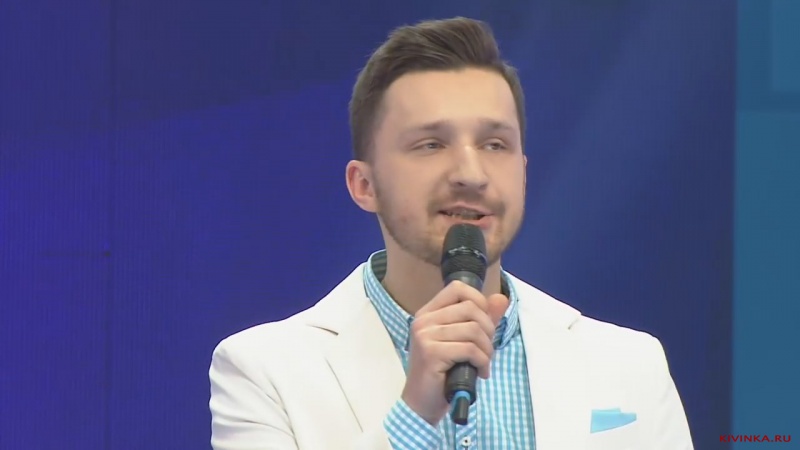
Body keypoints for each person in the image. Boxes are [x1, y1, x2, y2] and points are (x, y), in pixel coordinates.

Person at [208, 16, 694, 450]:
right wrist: (413, 416)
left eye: (495, 144)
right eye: (431, 144)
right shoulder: (264, 371)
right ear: (364, 185)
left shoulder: (631, 364)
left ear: (523, 174)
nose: (471, 174)